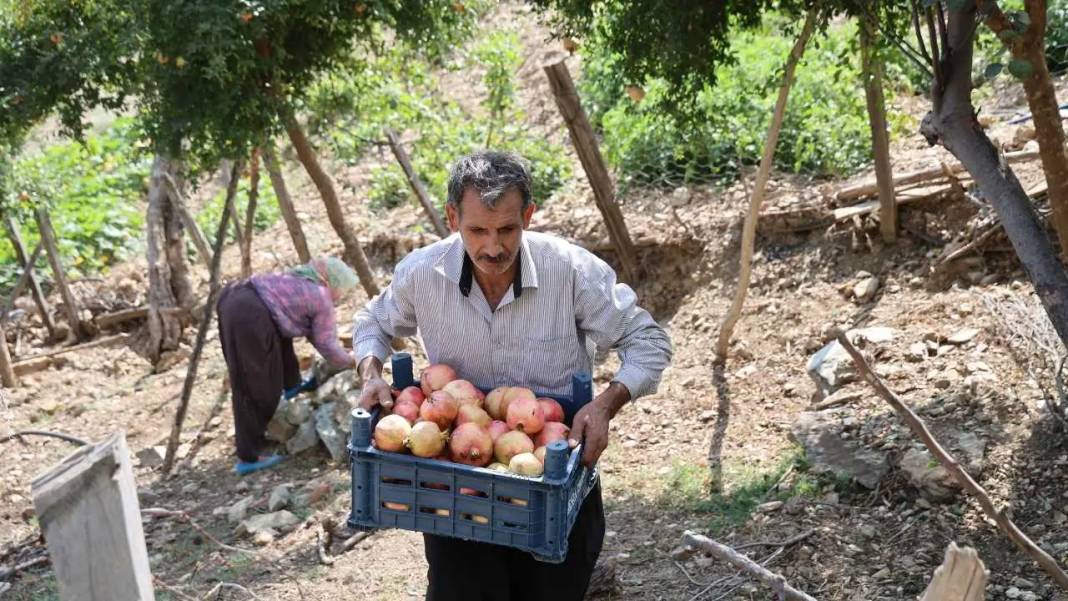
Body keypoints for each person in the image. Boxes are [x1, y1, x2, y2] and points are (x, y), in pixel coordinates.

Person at [354, 151, 672, 600]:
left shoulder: (571, 271)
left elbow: (648, 341)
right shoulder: (422, 275)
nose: (493, 247)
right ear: (451, 218)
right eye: (477, 230)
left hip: (553, 482)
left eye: (507, 229)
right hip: (458, 488)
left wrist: (605, 405)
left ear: (528, 215)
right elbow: (372, 323)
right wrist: (371, 374)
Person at [217, 256, 357, 475]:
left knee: (280, 344)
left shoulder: (298, 279)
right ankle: (249, 455)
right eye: (342, 290)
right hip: (249, 313)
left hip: (233, 297)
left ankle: (292, 385)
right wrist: (352, 360)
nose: (340, 296)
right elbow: (326, 344)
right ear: (332, 282)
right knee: (253, 383)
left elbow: (303, 329)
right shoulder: (321, 296)